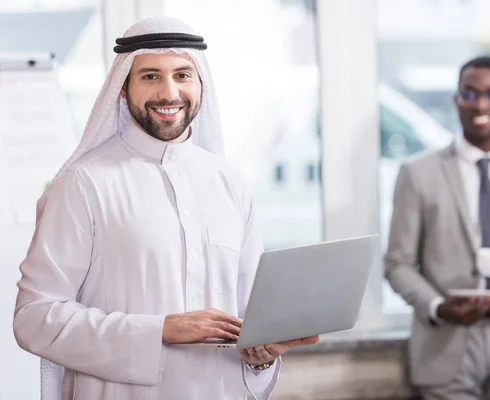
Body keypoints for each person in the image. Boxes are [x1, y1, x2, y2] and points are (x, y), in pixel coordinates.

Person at [13, 16, 317, 400]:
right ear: (123, 89)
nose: (169, 92)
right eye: (151, 76)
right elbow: (35, 319)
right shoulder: (82, 184)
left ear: (200, 83)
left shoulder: (232, 185)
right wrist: (160, 330)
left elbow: (246, 322)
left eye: (183, 75)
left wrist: (261, 355)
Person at [385, 55, 490, 400]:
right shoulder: (418, 174)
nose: (480, 104)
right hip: (446, 343)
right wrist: (437, 306)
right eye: (469, 93)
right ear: (456, 100)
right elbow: (397, 264)